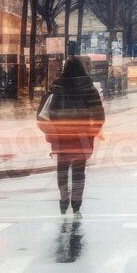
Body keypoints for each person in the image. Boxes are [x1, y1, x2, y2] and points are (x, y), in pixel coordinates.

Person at [38, 57, 106, 216]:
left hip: (61, 136)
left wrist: (52, 130)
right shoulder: (89, 88)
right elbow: (99, 115)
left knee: (62, 169)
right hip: (82, 137)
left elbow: (44, 113)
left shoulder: (57, 87)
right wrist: (93, 130)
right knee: (79, 171)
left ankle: (63, 200)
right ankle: (76, 203)